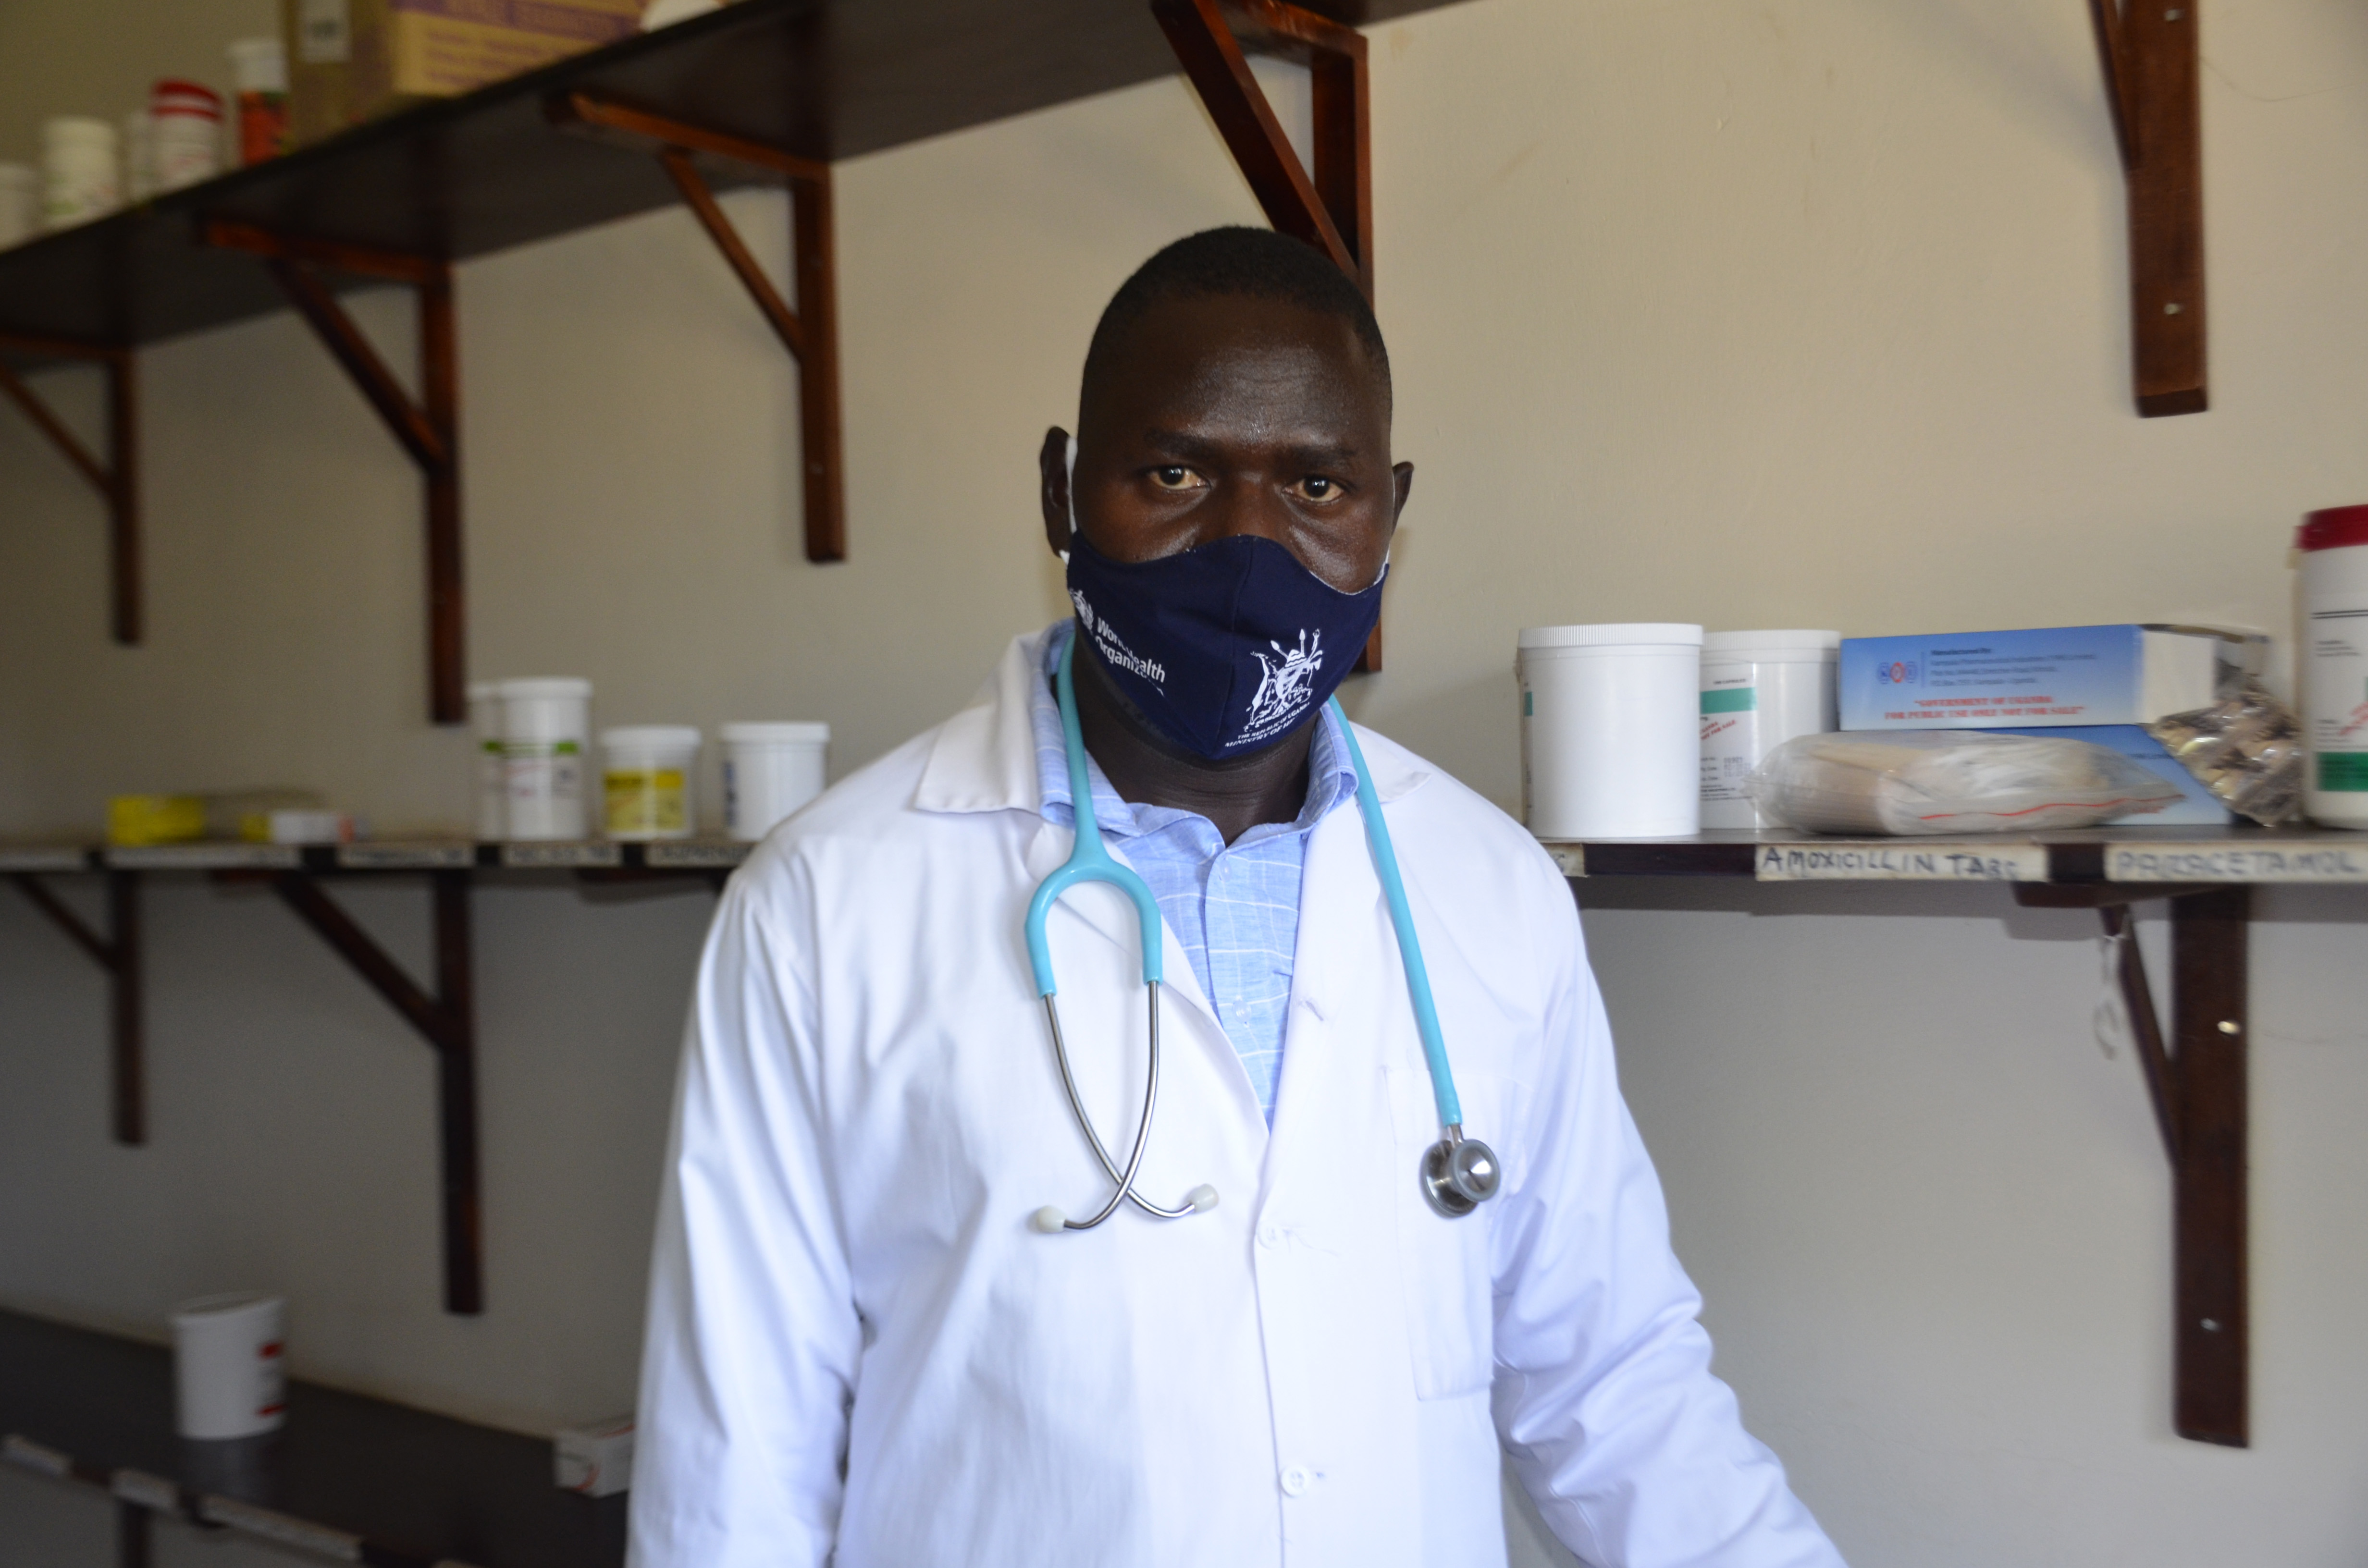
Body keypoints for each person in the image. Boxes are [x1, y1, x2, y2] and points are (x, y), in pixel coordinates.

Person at [629, 227, 1845, 1568]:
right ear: (1061, 494)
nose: (1250, 546)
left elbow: (1614, 1386)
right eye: (1175, 473)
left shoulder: (1490, 889)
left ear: (1389, 510)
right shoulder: (826, 904)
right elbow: (736, 1463)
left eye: (1317, 484)